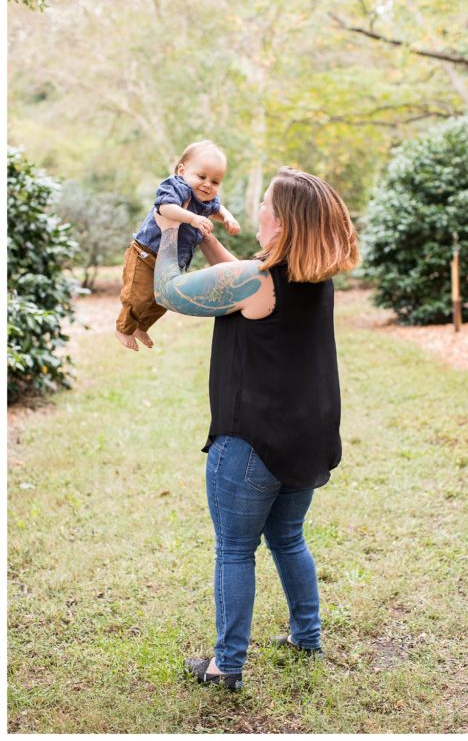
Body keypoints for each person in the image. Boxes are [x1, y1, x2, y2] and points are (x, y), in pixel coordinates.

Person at [151, 166, 360, 690]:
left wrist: (170, 227)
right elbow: (242, 279)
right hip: (304, 439)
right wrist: (211, 239)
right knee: (289, 538)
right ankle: (306, 636)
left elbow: (169, 292)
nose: (260, 209)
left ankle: (227, 666)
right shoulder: (312, 275)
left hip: (252, 444)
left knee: (235, 550)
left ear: (283, 221)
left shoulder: (257, 280)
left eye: (266, 202)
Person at [115, 140, 241, 351]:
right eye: (201, 177)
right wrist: (192, 218)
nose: (208, 185)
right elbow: (166, 208)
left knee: (163, 300)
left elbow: (217, 207)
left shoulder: (206, 198)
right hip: (146, 254)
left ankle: (141, 327)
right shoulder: (177, 186)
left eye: (215, 181)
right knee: (139, 296)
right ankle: (123, 328)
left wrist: (227, 217)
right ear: (182, 170)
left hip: (171, 261)